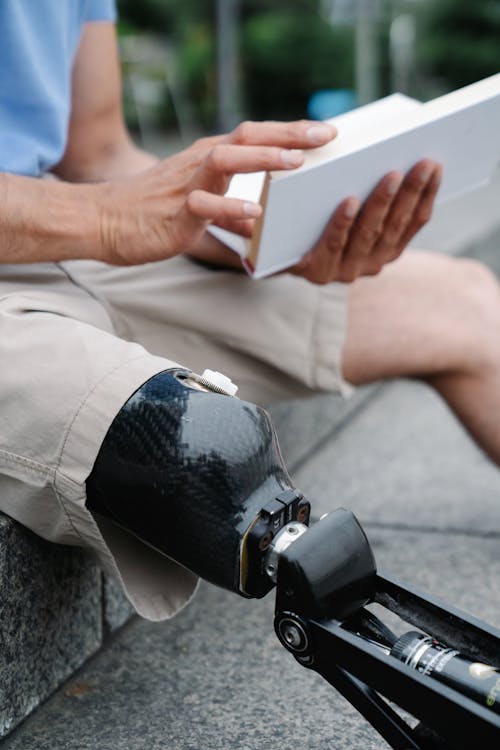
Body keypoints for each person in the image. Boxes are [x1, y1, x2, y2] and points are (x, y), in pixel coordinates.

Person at [1, 0, 500, 620]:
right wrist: (106, 217)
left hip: (59, 224)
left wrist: (255, 232)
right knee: (197, 447)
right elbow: (106, 202)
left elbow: (99, 153)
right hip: (52, 236)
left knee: (463, 304)